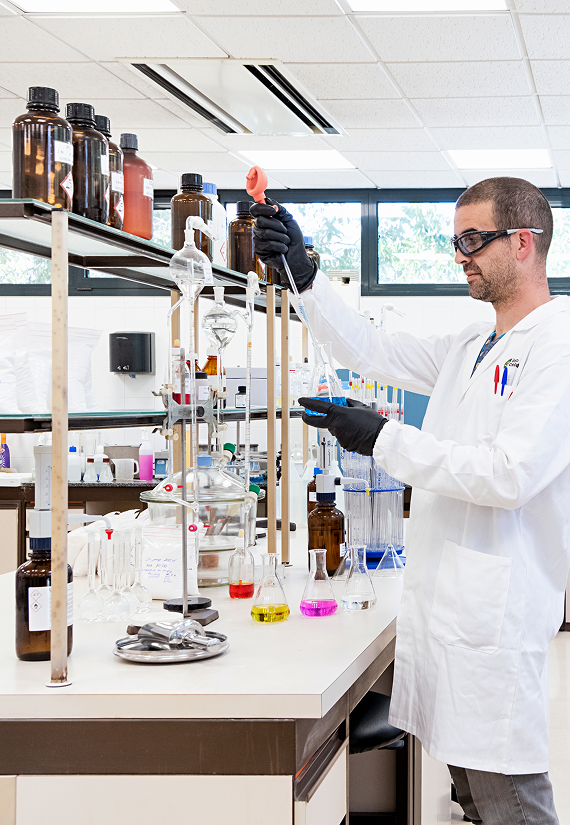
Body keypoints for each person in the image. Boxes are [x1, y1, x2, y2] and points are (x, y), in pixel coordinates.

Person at [251, 177, 570, 825]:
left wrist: (383, 438)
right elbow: (372, 349)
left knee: (511, 804)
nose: (460, 256)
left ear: (524, 243)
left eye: (474, 240)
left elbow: (509, 474)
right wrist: (306, 276)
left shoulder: (556, 347)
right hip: (451, 620)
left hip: (494, 627)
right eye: (457, 242)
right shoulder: (473, 345)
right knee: (475, 801)